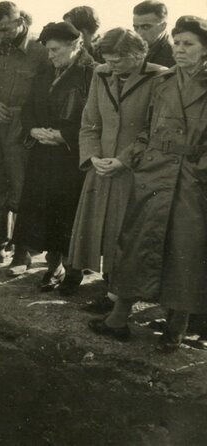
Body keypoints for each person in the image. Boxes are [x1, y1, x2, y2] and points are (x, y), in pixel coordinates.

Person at [91, 16, 207, 352]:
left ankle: (175, 330)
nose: (181, 49)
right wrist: (127, 159)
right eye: (178, 43)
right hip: (153, 175)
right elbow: (147, 132)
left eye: (189, 44)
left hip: (192, 182)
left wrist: (199, 171)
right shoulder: (164, 82)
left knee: (185, 252)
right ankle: (117, 319)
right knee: (135, 244)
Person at [69, 28, 166, 312]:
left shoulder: (160, 77)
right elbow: (89, 121)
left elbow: (154, 128)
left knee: (126, 233)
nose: (112, 67)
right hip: (101, 168)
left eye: (118, 61)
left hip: (135, 171)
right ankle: (108, 289)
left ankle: (120, 297)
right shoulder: (101, 74)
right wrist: (92, 157)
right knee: (103, 229)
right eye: (108, 60)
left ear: (138, 54)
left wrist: (124, 160)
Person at [11, 22, 96, 292]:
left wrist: (64, 136)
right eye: (48, 50)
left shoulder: (90, 74)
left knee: (67, 212)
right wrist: (33, 129)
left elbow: (93, 117)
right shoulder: (46, 71)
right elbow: (28, 107)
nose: (51, 55)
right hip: (42, 153)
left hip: (70, 158)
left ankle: (73, 269)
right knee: (43, 211)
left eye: (56, 50)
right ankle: (53, 266)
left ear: (76, 46)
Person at [0, 1, 49, 268]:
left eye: (6, 29)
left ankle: (23, 252)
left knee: (22, 190)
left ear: (22, 22)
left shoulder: (39, 52)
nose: (1, 35)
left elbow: (45, 95)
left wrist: (28, 122)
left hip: (22, 131)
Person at [133, 0, 175, 67]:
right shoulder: (131, 49)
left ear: (163, 26)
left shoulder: (173, 55)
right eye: (136, 27)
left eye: (146, 27)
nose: (139, 33)